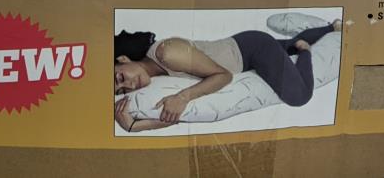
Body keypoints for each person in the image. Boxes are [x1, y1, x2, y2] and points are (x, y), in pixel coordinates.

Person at [113, 20, 341, 131]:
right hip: (242, 53)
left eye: (121, 78)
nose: (130, 86)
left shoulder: (167, 53)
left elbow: (223, 76)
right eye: (121, 90)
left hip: (252, 50)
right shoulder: (155, 76)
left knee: (299, 96)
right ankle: (332, 27)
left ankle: (305, 51)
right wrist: (133, 127)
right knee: (289, 45)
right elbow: (175, 118)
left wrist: (182, 97)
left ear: (123, 59)